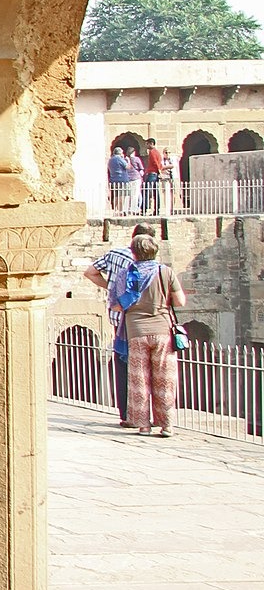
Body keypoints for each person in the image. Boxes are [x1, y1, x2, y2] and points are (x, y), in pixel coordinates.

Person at [84, 223, 155, 427]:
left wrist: (110, 287)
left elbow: (90, 272)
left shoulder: (114, 254)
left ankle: (125, 414)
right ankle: (142, 415)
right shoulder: (145, 264)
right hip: (137, 321)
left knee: (123, 366)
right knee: (141, 368)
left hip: (118, 321)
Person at [117, 232, 187, 437]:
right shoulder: (165, 272)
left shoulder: (126, 274)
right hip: (162, 329)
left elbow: (117, 304)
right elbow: (180, 301)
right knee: (164, 379)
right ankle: (166, 425)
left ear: (134, 253)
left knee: (139, 380)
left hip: (136, 331)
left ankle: (143, 425)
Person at [106, 147, 132, 214]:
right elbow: (128, 167)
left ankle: (115, 210)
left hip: (113, 179)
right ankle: (120, 210)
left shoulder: (111, 160)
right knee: (121, 196)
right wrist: (128, 160)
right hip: (122, 179)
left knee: (116, 196)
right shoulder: (119, 159)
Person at [142, 139, 165, 214]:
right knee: (155, 191)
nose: (146, 145)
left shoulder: (152, 152)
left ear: (151, 144)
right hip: (155, 173)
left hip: (152, 173)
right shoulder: (157, 152)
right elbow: (159, 163)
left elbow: (155, 162)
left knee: (146, 190)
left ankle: (144, 209)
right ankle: (156, 210)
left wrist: (159, 171)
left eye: (147, 144)